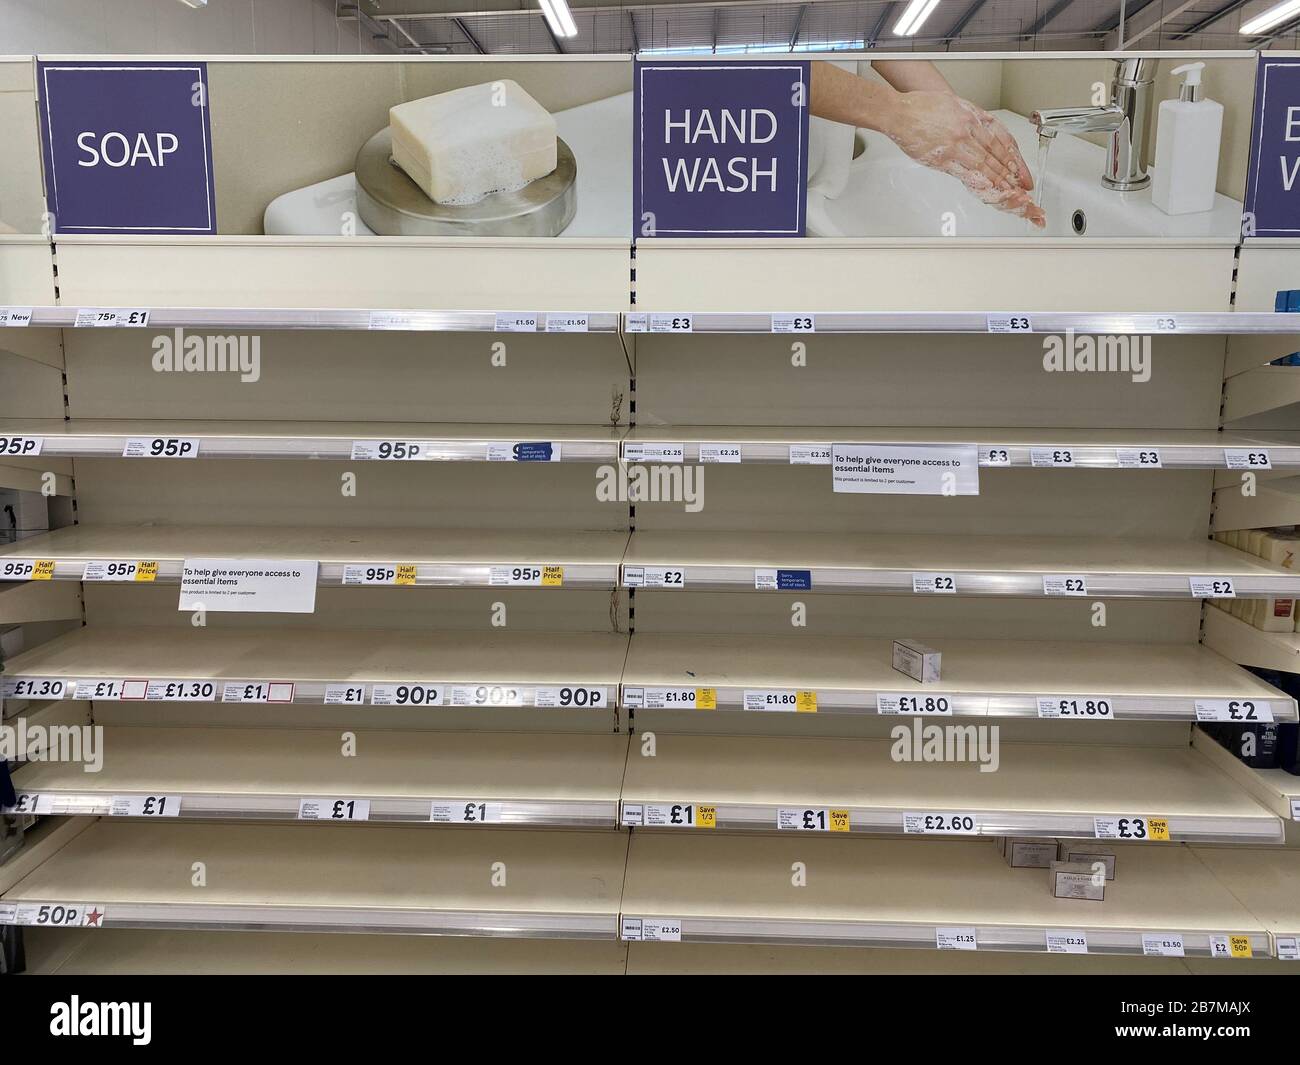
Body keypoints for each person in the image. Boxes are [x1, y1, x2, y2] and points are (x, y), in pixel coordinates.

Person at [811, 60, 1046, 228]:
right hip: (777, 188)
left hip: (815, 191)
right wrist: (899, 113)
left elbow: (868, 20)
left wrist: (960, 122)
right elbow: (774, 64)